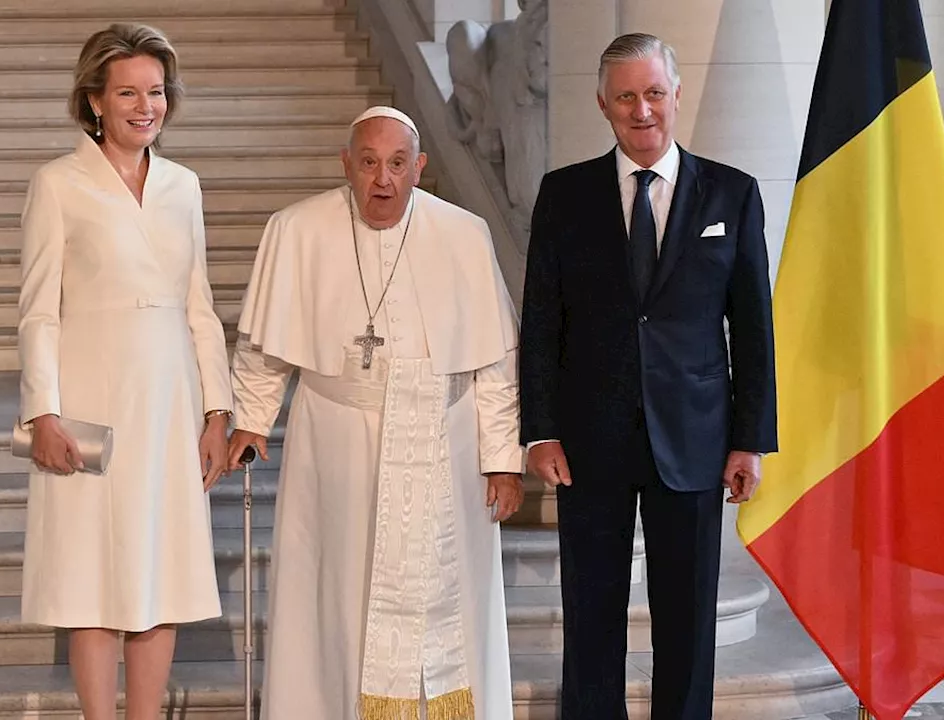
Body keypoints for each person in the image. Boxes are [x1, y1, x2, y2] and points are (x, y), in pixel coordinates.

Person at [226, 106, 523, 720]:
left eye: (396, 164)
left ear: (420, 167)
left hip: (444, 441)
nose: (382, 180)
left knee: (447, 604)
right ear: (346, 165)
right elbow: (263, 348)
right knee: (338, 597)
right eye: (368, 163)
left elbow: (494, 363)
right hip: (335, 444)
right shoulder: (297, 230)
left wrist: (502, 459)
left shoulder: (465, 234)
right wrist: (251, 421)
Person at [518, 34, 778, 720]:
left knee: (687, 620)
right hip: (589, 440)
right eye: (627, 95)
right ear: (603, 102)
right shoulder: (564, 194)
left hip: (694, 441)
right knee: (593, 612)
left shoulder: (734, 193)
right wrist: (540, 429)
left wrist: (749, 439)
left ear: (677, 95)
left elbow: (753, 329)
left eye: (654, 93)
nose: (642, 110)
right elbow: (541, 321)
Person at [16, 23, 231, 720]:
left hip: (169, 401)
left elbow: (199, 304)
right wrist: (41, 412)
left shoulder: (183, 186)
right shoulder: (58, 184)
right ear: (95, 101)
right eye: (129, 92)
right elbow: (38, 311)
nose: (146, 106)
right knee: (90, 577)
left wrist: (216, 411)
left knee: (158, 572)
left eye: (157, 91)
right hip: (88, 402)